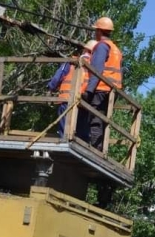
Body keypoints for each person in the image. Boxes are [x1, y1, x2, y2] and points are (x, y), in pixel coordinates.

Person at [84, 17, 123, 151]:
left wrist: (89, 90)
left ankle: (95, 150)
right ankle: (100, 148)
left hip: (101, 88)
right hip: (112, 91)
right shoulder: (115, 49)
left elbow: (97, 69)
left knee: (95, 119)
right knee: (103, 119)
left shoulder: (102, 46)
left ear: (99, 31)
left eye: (96, 31)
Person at [47, 39, 97, 139]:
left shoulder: (71, 62)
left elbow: (58, 76)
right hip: (84, 105)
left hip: (67, 102)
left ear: (85, 50)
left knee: (65, 131)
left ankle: (64, 144)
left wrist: (50, 89)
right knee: (81, 135)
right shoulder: (95, 68)